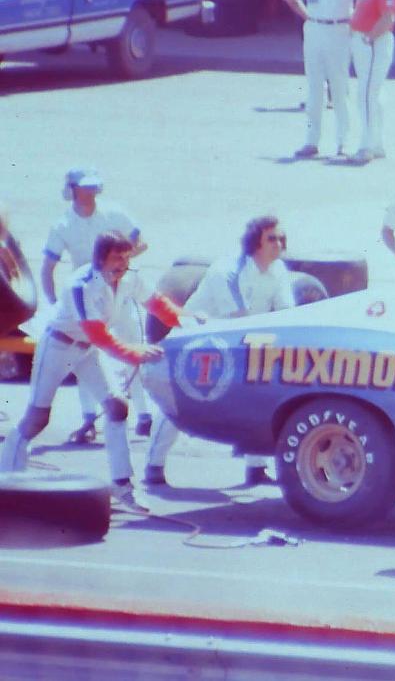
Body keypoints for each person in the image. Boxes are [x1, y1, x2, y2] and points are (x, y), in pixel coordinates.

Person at [0, 232, 190, 512]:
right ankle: (7, 479)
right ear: (100, 259)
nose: (123, 264)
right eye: (116, 258)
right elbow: (98, 334)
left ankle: (122, 485)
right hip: (59, 347)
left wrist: (189, 325)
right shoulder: (81, 285)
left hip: (87, 350)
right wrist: (135, 352)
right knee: (38, 418)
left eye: (126, 257)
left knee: (117, 407)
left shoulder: (130, 277)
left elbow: (158, 304)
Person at [143, 216, 295, 488]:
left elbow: (287, 313)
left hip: (241, 341)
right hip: (198, 342)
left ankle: (256, 468)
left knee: (257, 399)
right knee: (182, 403)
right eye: (272, 239)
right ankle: (154, 464)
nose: (279, 244)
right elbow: (238, 317)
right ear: (255, 242)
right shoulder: (227, 270)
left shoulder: (279, 270)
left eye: (282, 238)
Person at [41, 167, 153, 443]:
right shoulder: (62, 225)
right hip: (86, 296)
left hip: (118, 290)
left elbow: (142, 242)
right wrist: (55, 303)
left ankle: (144, 415)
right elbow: (48, 267)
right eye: (84, 187)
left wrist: (119, 261)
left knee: (134, 348)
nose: (90, 192)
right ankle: (89, 417)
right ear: (72, 190)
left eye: (93, 187)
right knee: (84, 354)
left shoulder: (113, 213)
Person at [281, 0, 361, 160]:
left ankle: (344, 141)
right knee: (314, 88)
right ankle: (311, 141)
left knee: (340, 87)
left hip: (340, 30)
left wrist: (356, 20)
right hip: (315, 29)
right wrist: (306, 15)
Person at [348, 0, 395, 164]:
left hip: (373, 44)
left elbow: (388, 17)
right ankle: (377, 143)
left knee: (366, 94)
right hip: (365, 41)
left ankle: (366, 146)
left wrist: (369, 38)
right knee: (373, 95)